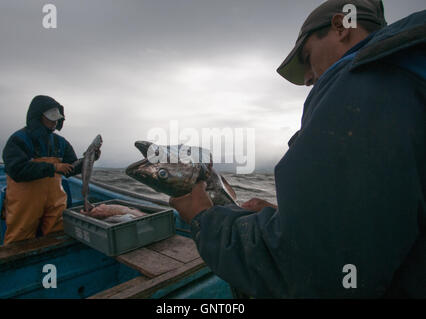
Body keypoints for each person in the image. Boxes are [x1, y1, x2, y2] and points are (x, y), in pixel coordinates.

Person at [169, 0, 425, 298]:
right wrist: (292, 219)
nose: (306, 80)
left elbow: (315, 273)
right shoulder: (409, 73)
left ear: (342, 27)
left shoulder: (367, 84)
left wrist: (204, 219)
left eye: (306, 57)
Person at [2, 95, 99, 245]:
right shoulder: (19, 139)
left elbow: (70, 168)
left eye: (57, 118)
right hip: (25, 202)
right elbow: (16, 170)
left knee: (57, 234)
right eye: (50, 118)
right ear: (37, 116)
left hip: (55, 201)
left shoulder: (60, 142)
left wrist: (89, 159)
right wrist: (53, 167)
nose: (55, 122)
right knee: (20, 236)